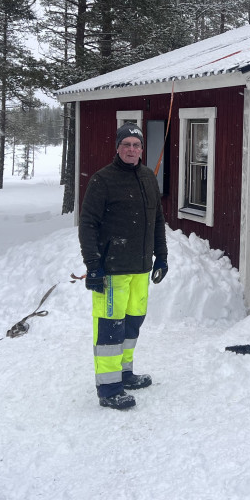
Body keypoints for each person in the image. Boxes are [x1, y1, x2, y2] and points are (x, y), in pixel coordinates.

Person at [78, 123, 168, 411]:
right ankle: (108, 387)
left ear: (142, 149)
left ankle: (125, 373)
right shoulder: (102, 180)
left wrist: (161, 256)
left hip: (141, 268)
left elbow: (157, 221)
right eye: (126, 144)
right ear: (117, 147)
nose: (131, 149)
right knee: (110, 330)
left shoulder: (147, 177)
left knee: (132, 324)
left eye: (136, 145)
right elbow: (88, 225)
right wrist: (93, 266)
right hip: (112, 271)